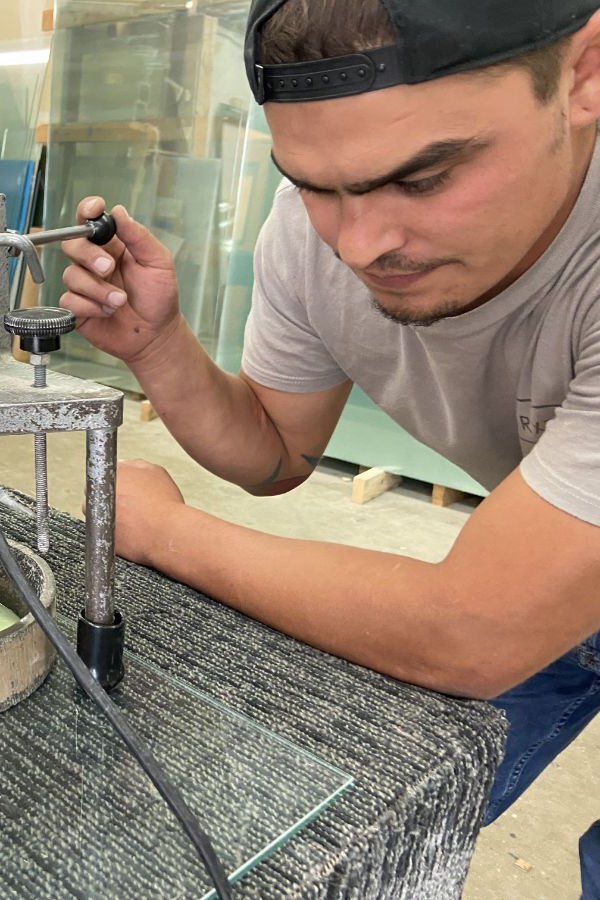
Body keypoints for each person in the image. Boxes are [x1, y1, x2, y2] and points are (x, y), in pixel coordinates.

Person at [59, 0, 600, 893]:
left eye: (423, 178)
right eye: (316, 184)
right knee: (340, 813)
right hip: (550, 557)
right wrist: (158, 348)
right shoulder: (317, 234)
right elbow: (275, 453)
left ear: (582, 78)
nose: (361, 244)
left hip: (519, 592)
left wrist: (159, 532)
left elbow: (473, 630)